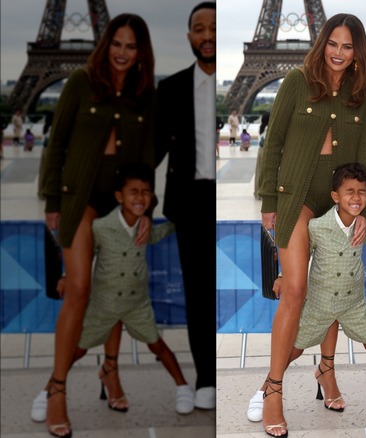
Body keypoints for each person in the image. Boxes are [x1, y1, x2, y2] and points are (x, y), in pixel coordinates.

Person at [253, 13, 366, 437]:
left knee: (332, 285)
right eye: (333, 44)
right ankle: (273, 388)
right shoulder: (296, 81)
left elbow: (362, 155)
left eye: (348, 46)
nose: (339, 53)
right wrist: (269, 200)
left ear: (357, 52)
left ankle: (326, 370)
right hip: (298, 196)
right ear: (322, 44)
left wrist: (363, 207)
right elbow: (273, 143)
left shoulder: (363, 93)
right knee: (295, 290)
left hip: (339, 200)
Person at [37, 13, 157, 437]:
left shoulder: (144, 94)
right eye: (117, 44)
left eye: (131, 46)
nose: (122, 53)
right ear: (106, 45)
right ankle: (57, 387)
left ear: (140, 52)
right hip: (80, 198)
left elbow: (146, 158)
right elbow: (57, 143)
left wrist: (147, 208)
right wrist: (52, 201)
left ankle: (110, 369)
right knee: (80, 290)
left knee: (115, 286)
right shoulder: (80, 83)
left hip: (122, 202)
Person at [58, 164, 195, 416]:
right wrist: (66, 275)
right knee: (78, 349)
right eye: (133, 191)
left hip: (137, 304)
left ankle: (183, 386)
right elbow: (83, 255)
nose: (140, 197)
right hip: (104, 304)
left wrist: (182, 221)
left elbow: (160, 233)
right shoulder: (101, 227)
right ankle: (52, 389)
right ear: (119, 196)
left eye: (146, 192)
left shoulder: (145, 228)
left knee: (158, 345)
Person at [285, 163, 366, 417]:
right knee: (294, 349)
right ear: (335, 196)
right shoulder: (317, 227)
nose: (356, 197)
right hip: (320, 303)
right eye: (349, 192)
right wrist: (281, 275)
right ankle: (267, 388)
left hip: (353, 303)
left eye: (362, 192)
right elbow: (300, 255)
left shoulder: (360, 227)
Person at [155, 1, 217, 411]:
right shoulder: (171, 89)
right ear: (190, 36)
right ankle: (205, 377)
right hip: (190, 201)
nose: (207, 35)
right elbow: (153, 149)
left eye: (214, 26)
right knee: (197, 294)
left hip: (222, 198)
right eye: (199, 28)